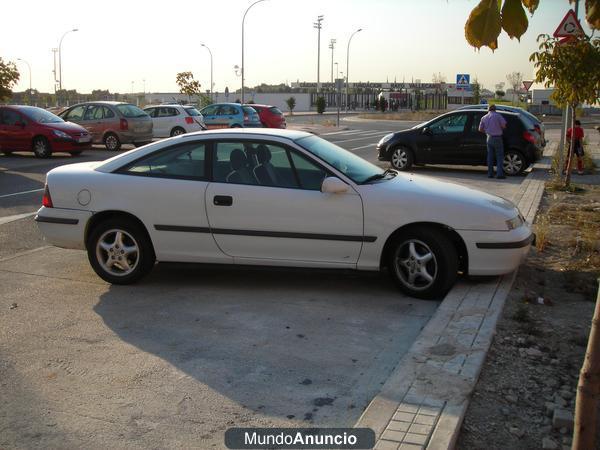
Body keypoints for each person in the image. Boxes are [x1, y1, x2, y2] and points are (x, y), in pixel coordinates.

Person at [479, 104, 507, 179]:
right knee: (499, 156)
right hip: (498, 138)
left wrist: (487, 131)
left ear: (488, 109)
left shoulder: (484, 117)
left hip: (489, 138)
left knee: (490, 156)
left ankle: (490, 173)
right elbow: (504, 126)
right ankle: (499, 174)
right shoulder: (498, 116)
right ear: (495, 109)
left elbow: (480, 129)